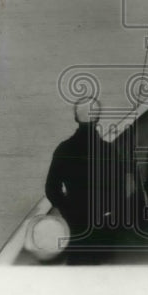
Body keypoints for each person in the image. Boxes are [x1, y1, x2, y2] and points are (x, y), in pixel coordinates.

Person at [44, 98, 111, 257]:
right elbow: (119, 188)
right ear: (98, 118)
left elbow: (51, 189)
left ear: (75, 118)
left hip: (74, 224)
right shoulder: (109, 151)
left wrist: (68, 210)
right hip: (102, 224)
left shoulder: (63, 149)